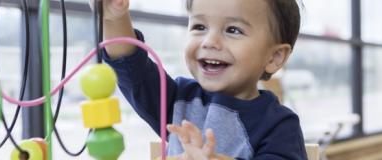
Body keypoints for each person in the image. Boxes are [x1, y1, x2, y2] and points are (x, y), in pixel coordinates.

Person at [91, 0, 307, 159]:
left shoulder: (279, 125)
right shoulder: (178, 99)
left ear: (274, 57)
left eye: (233, 30)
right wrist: (114, 18)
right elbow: (131, 65)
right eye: (199, 27)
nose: (210, 41)